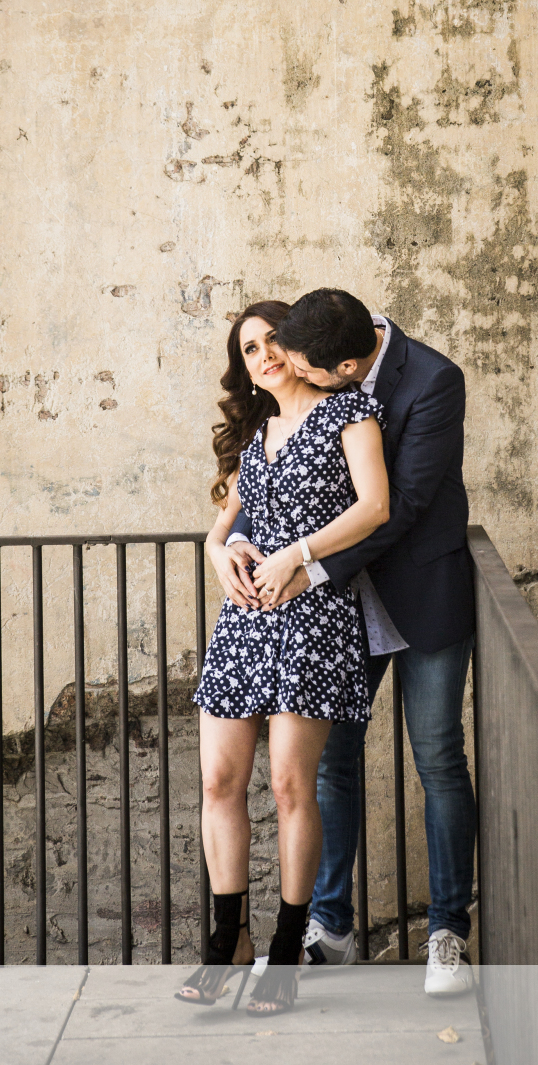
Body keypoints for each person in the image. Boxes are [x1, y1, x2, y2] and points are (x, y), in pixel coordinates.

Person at [217, 288, 476, 996]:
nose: (289, 369)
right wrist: (236, 542)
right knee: (330, 766)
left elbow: (402, 505)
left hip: (417, 598)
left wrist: (308, 565)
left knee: (438, 757)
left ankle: (448, 932)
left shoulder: (434, 381)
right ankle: (330, 929)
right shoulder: (318, 342)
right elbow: (282, 480)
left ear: (349, 367)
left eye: (307, 368)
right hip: (337, 614)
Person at [178, 299, 389, 1015]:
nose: (264, 355)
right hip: (244, 624)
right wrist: (221, 552)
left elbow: (375, 507)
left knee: (292, 786)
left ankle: (289, 947)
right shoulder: (257, 433)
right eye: (249, 349)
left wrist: (297, 553)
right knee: (219, 781)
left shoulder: (349, 412)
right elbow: (221, 531)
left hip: (314, 620)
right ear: (243, 368)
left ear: (296, 348)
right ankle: (228, 943)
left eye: (272, 341)